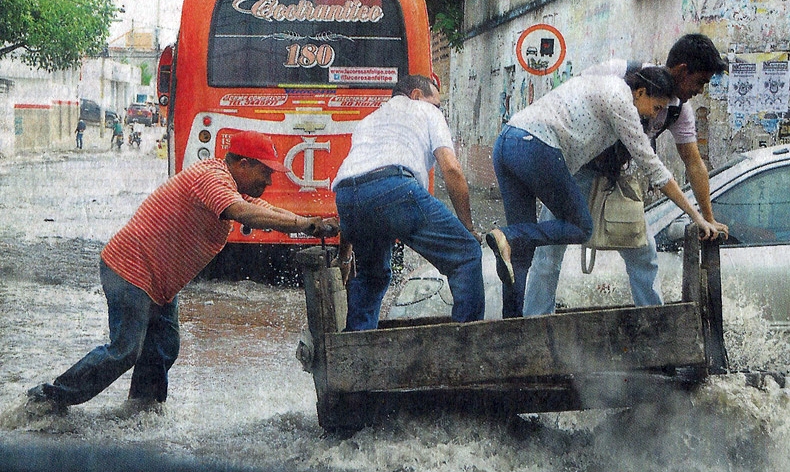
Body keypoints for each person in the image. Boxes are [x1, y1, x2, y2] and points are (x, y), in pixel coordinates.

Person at [26, 131, 338, 413]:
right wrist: (302, 224)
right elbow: (243, 213)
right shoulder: (212, 177)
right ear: (242, 163)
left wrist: (311, 222)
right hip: (130, 268)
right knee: (125, 350)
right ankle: (50, 398)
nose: (269, 180)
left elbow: (266, 211)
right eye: (265, 171)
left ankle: (141, 409)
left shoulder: (230, 184)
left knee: (164, 346)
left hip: (158, 281)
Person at [486, 67, 721, 318]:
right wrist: (696, 216)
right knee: (580, 227)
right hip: (536, 146)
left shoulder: (603, 81)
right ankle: (509, 236)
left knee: (518, 253)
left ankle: (511, 325)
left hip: (507, 141)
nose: (656, 116)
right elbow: (655, 169)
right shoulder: (622, 104)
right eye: (656, 107)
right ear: (640, 92)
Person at [333, 74, 485, 331]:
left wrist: (345, 253)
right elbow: (452, 170)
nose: (438, 109)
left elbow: (358, 183)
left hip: (347, 197)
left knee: (371, 277)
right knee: (466, 255)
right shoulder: (426, 111)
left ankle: (357, 354)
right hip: (394, 189)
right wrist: (468, 228)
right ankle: (466, 346)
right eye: (436, 103)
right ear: (416, 95)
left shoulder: (368, 121)